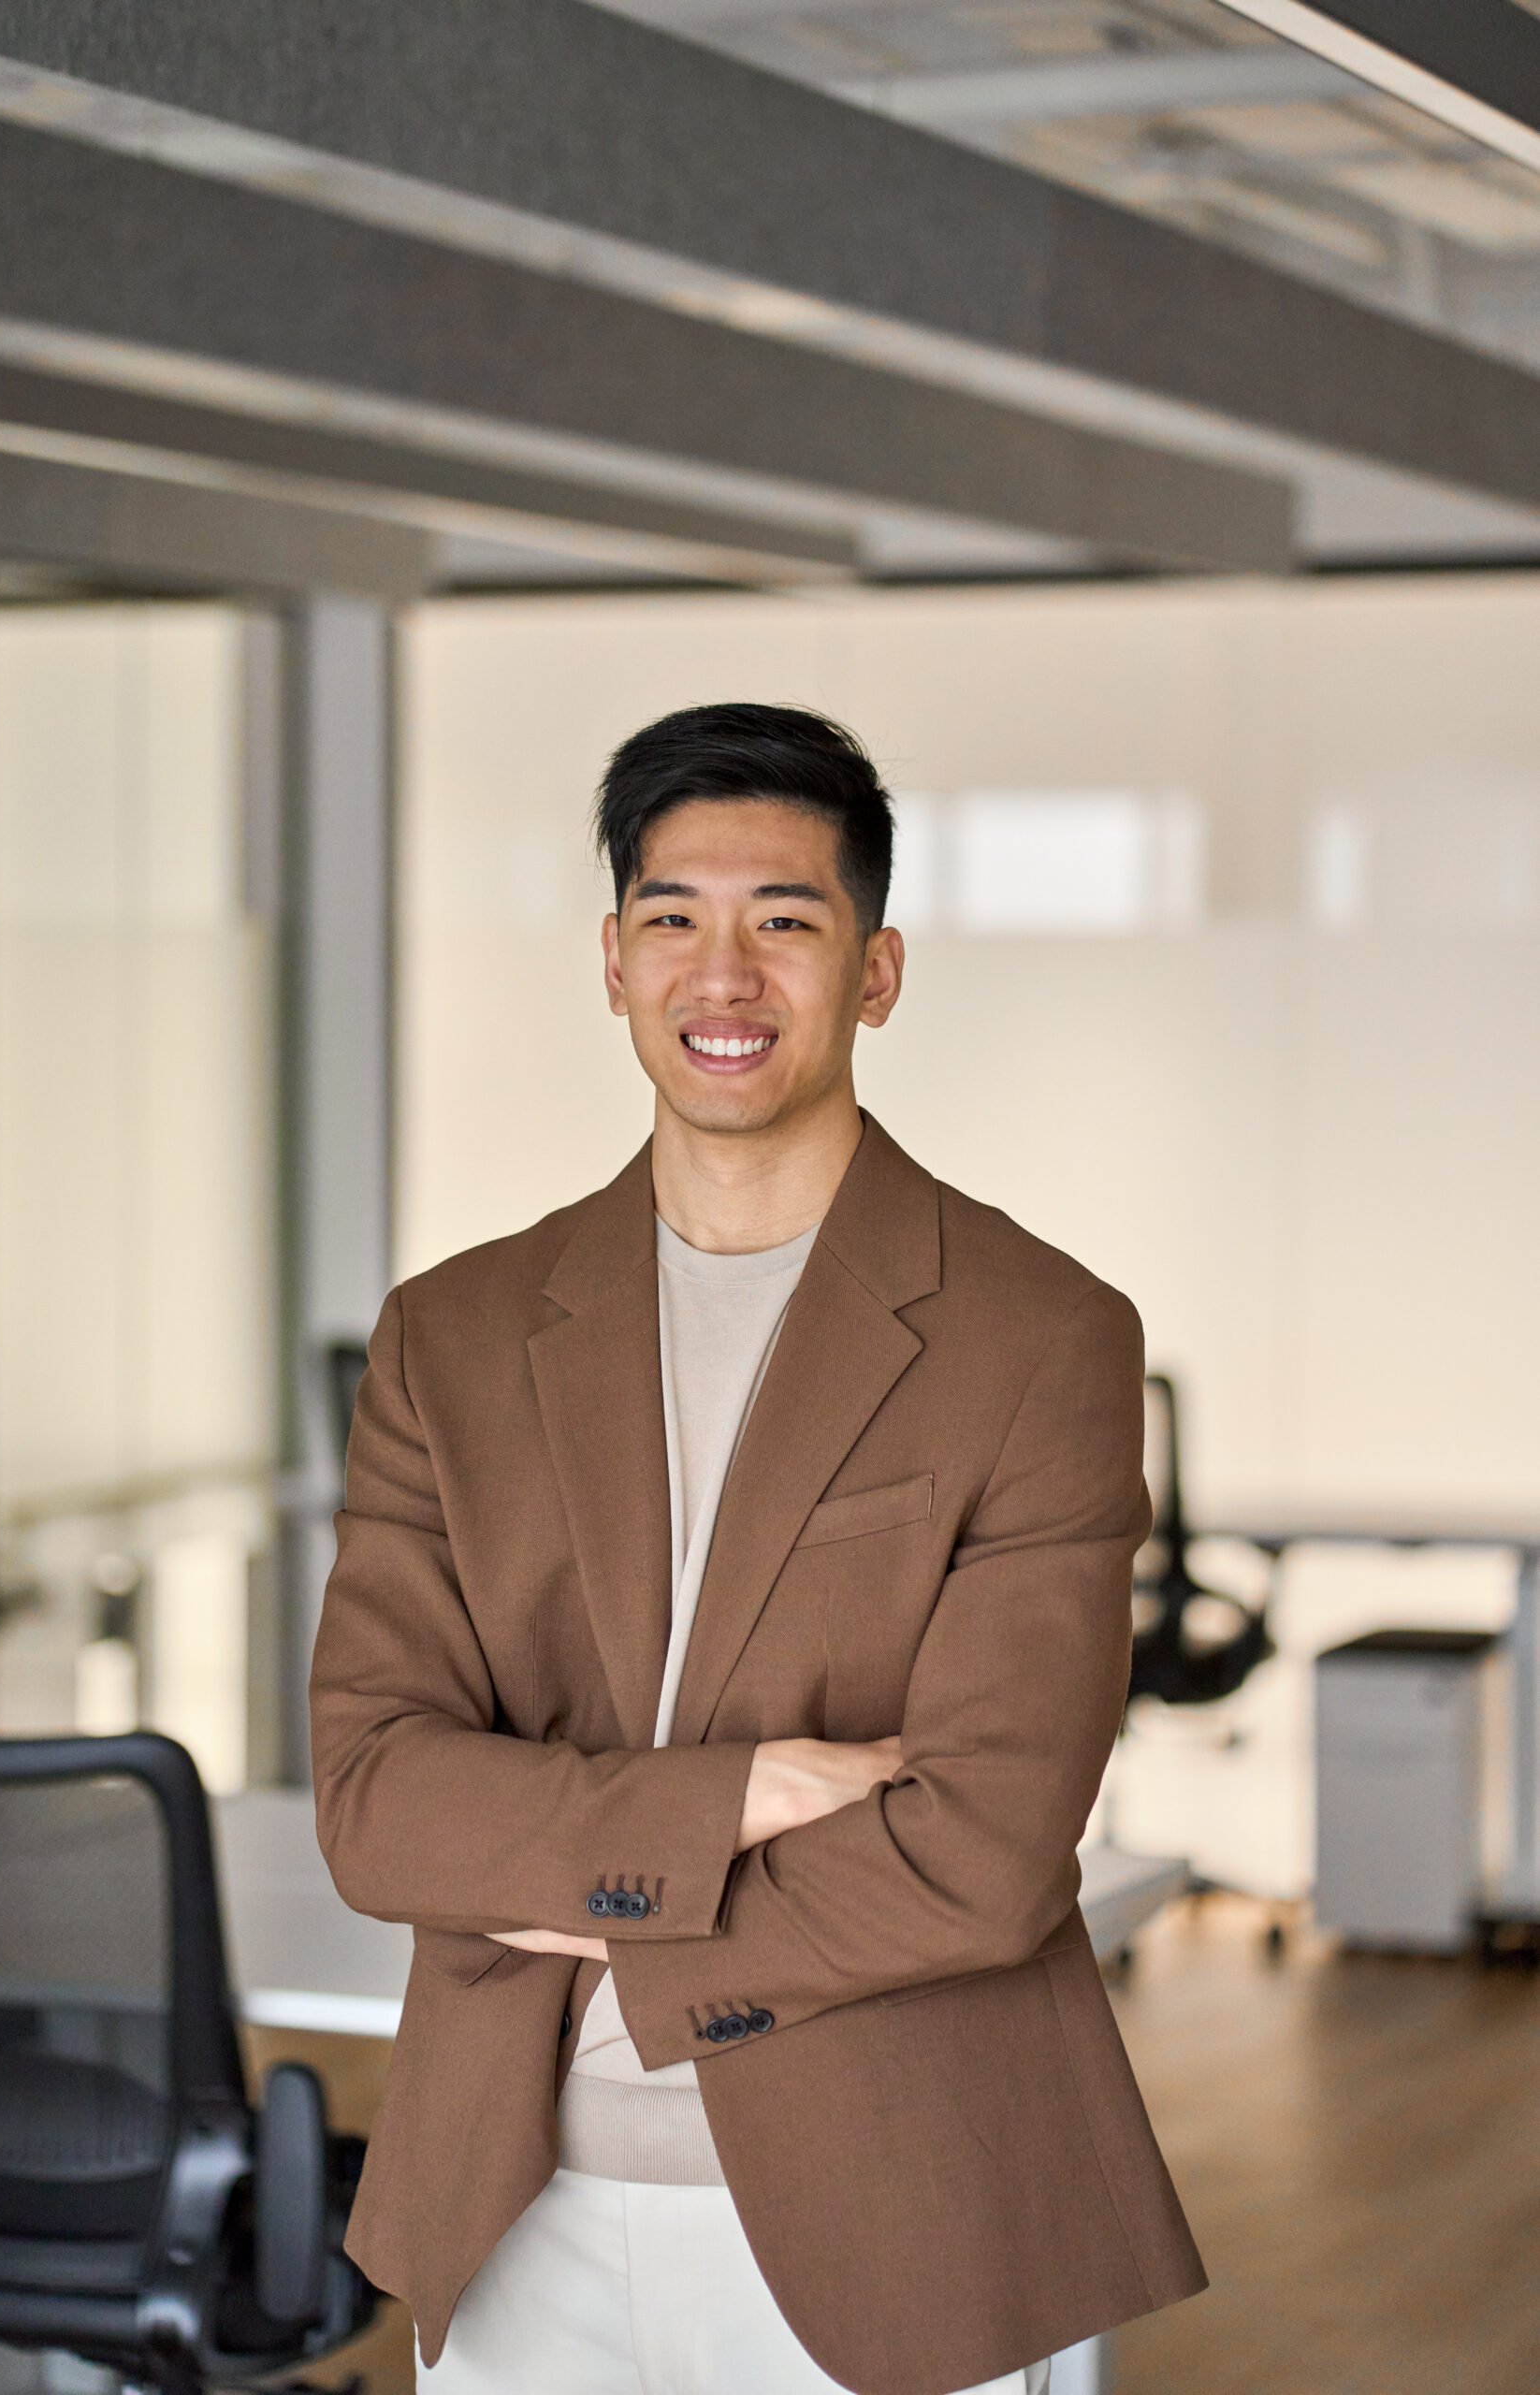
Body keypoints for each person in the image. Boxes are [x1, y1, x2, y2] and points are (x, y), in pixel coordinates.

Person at [311, 702, 1204, 2395]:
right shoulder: (452, 1336)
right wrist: (726, 1803)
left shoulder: (1040, 1336)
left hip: (904, 2210)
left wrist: (564, 1880)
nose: (724, 979)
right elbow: (373, 1800)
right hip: (509, 2210)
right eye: (675, 921)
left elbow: (986, 1853)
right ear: (611, 959)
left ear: (872, 970)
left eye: (784, 923)